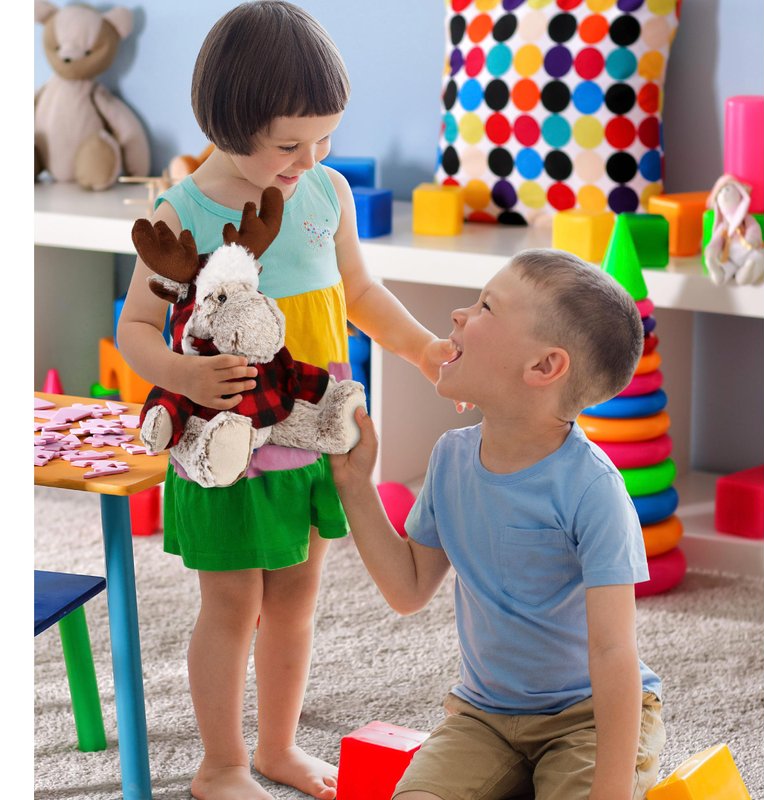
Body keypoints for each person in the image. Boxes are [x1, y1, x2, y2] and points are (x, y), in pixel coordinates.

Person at [117, 3, 454, 799]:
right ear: (229, 125)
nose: (310, 158)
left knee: (297, 601)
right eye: (289, 145)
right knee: (233, 605)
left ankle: (276, 748)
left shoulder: (325, 192)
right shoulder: (182, 214)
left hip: (312, 433)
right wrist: (184, 375)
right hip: (226, 447)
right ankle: (221, 764)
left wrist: (422, 348)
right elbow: (135, 328)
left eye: (324, 138)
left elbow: (359, 292)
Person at [331, 249, 667, 800]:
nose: (459, 315)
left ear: (544, 367)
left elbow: (614, 653)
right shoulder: (450, 457)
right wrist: (355, 484)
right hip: (483, 716)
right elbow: (408, 589)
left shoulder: (593, 489)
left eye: (486, 306)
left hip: (587, 720)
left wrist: (609, 790)